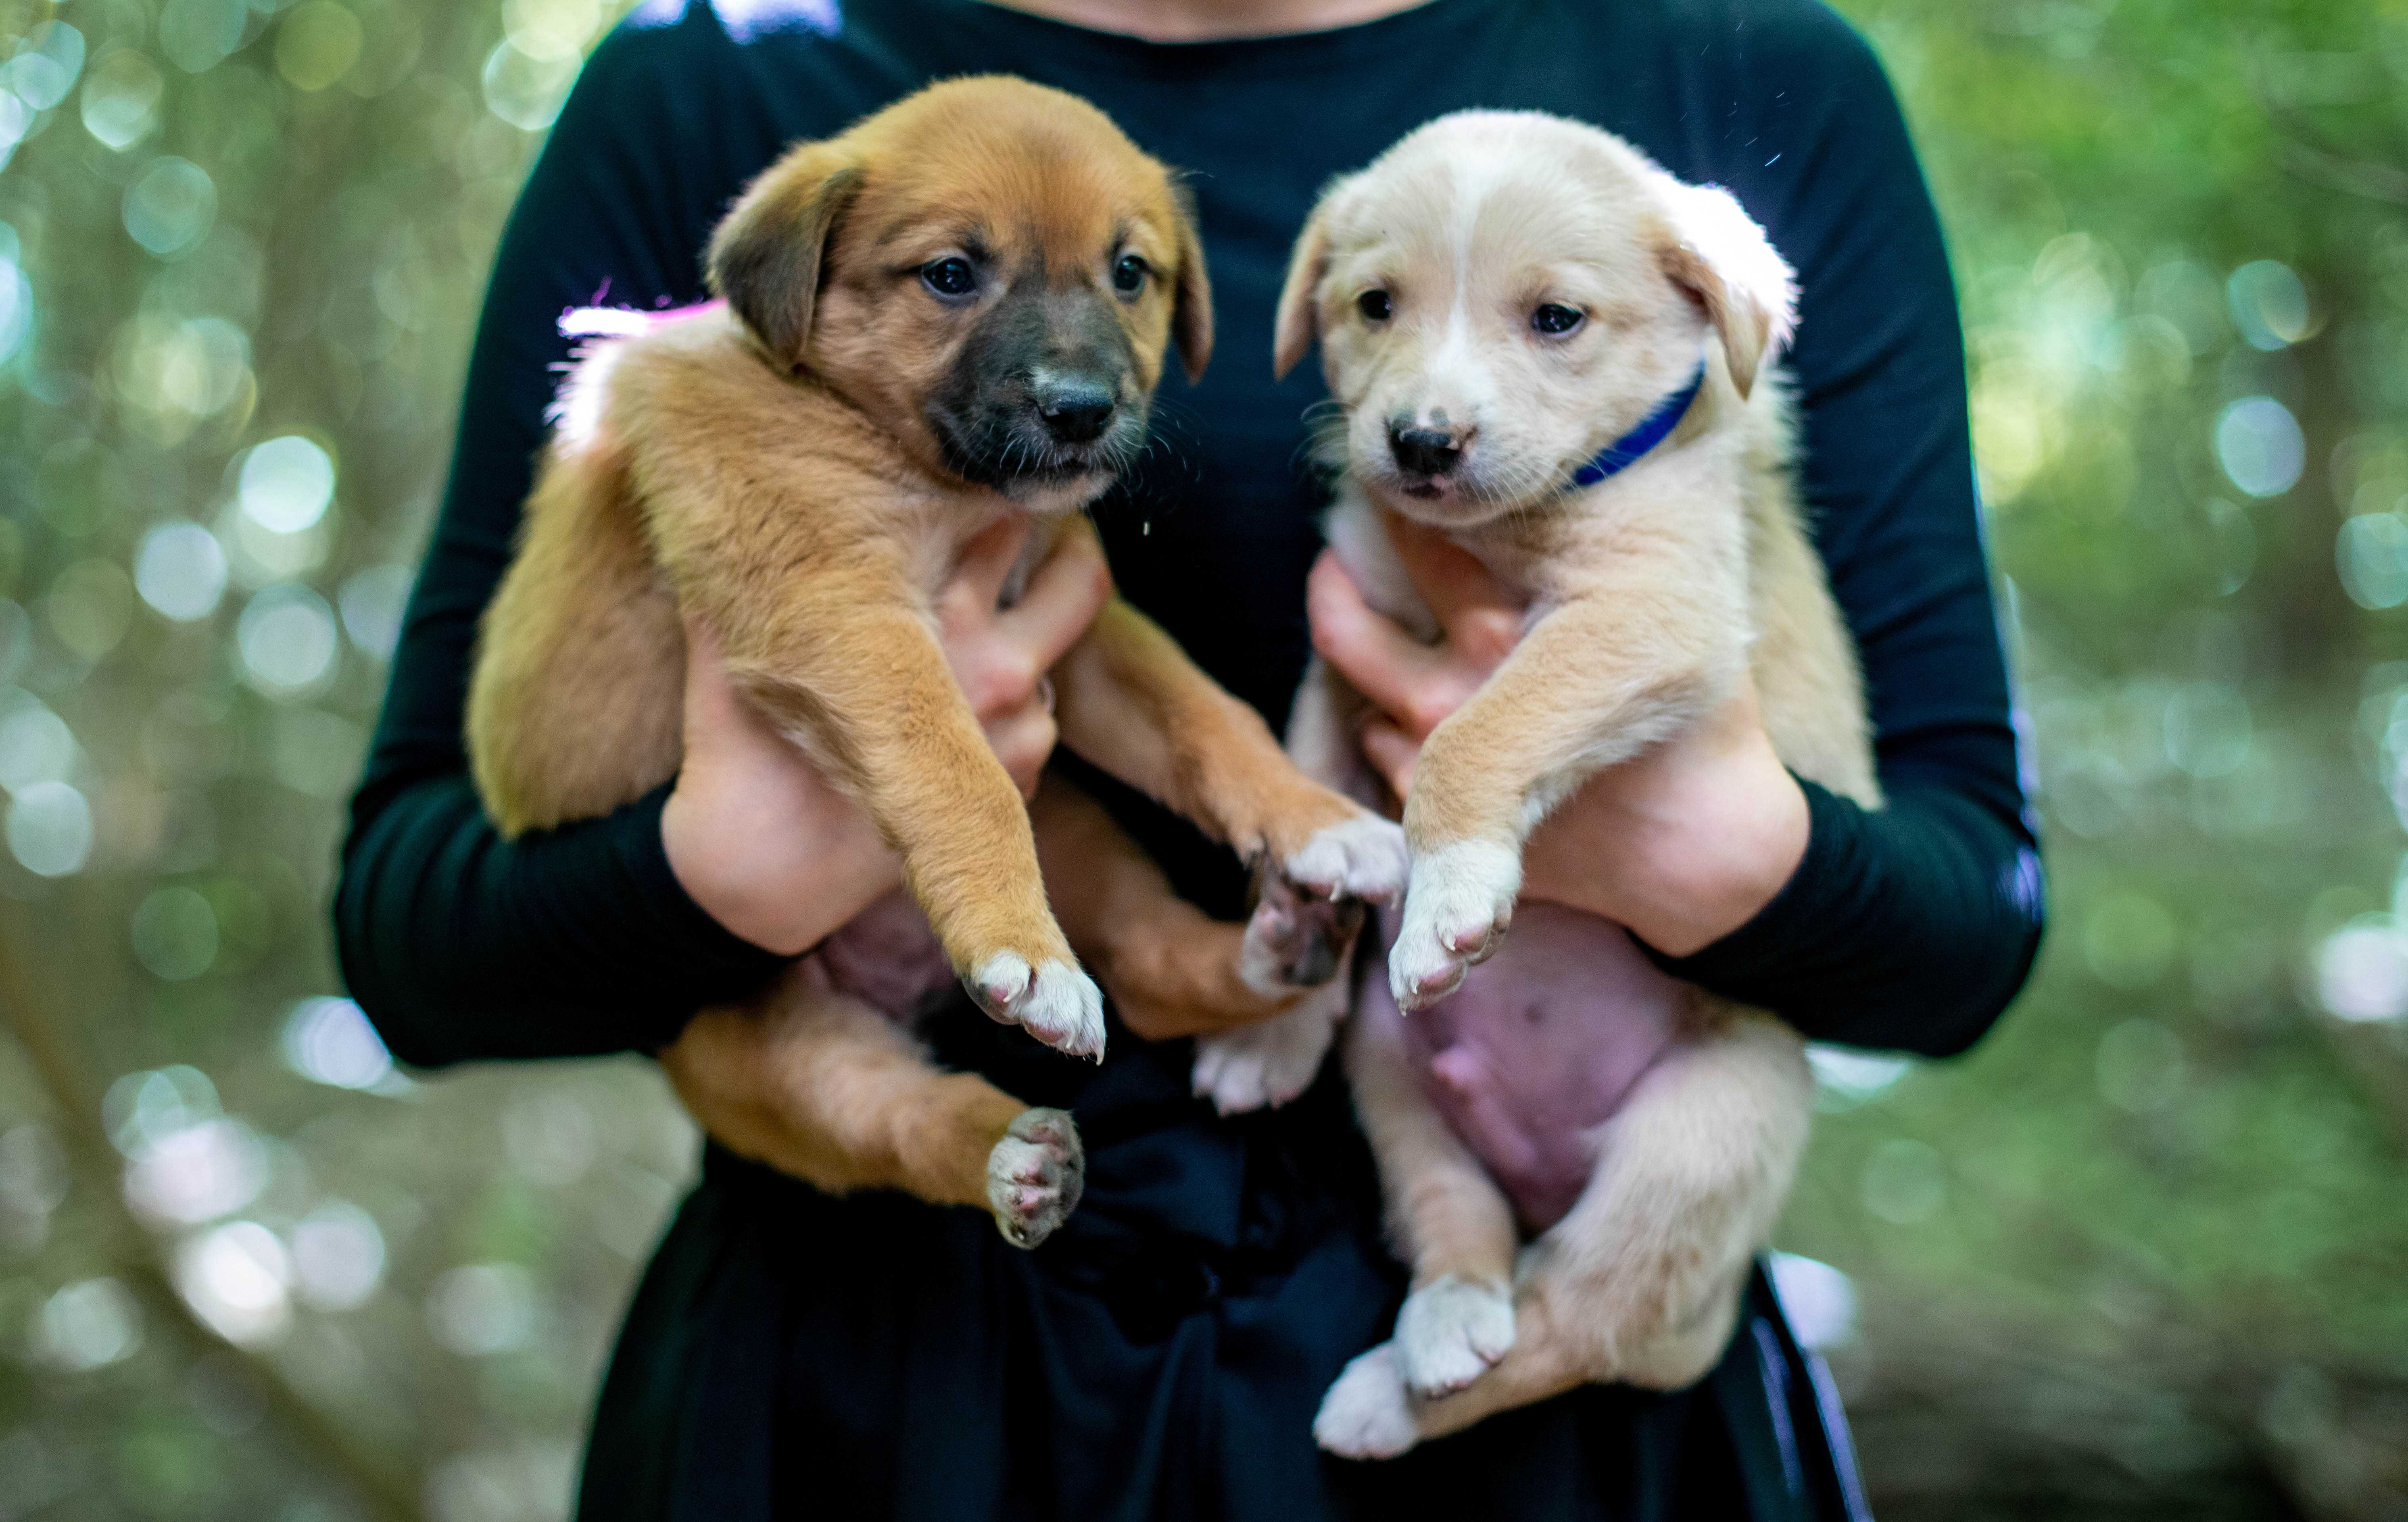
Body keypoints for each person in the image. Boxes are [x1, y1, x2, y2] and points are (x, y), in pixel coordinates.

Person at [334, 0, 2046, 1516]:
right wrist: (717, 872)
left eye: (1135, 288)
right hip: (875, 1396)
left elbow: (1973, 916)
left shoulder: (1742, 63)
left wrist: (1728, 854)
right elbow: (410, 929)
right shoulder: (709, 82)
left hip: (1547, 1420)